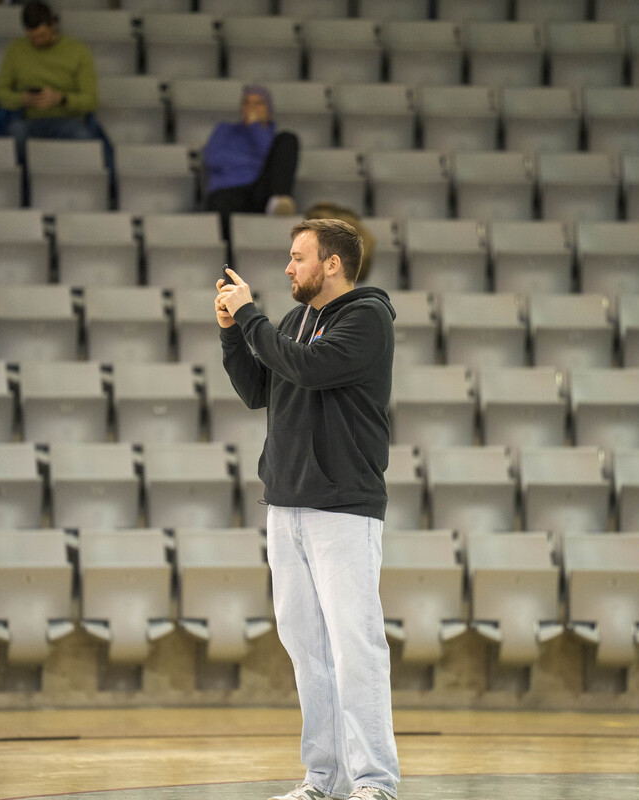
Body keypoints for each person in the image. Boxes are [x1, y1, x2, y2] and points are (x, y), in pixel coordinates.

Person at [214, 219, 400, 800]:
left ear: (333, 264)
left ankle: (375, 782)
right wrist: (231, 333)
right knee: (307, 651)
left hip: (342, 507)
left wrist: (250, 315)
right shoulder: (296, 322)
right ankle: (323, 778)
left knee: (355, 647)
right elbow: (258, 390)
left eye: (299, 257)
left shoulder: (367, 317)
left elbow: (309, 369)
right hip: (287, 504)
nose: (289, 267)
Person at [0, 0, 99, 163]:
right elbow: (0, 92)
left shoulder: (78, 51)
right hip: (29, 119)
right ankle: (22, 179)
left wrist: (61, 98)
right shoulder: (15, 49)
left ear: (53, 25)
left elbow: (91, 100)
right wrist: (23, 98)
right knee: (15, 134)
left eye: (42, 36)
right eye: (32, 37)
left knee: (82, 136)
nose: (37, 42)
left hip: (68, 120)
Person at [203, 85, 299, 239]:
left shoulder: (272, 137)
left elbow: (272, 162)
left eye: (258, 103)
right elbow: (213, 159)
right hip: (228, 191)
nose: (251, 108)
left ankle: (277, 201)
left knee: (288, 138)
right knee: (221, 206)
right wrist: (255, 162)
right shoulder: (225, 129)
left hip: (260, 193)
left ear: (268, 109)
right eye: (246, 103)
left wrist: (255, 128)